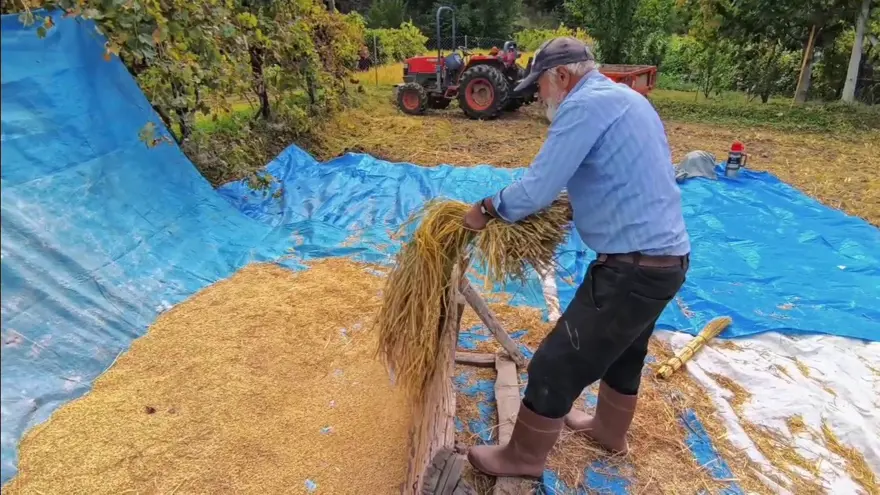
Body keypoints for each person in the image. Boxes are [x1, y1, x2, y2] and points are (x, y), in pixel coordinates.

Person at [463, 37, 691, 479]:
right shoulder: (627, 99)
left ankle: (523, 457)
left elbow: (537, 188)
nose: (538, 96)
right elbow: (617, 172)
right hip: (667, 261)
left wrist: (487, 209)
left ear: (563, 76)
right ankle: (608, 431)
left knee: (555, 362)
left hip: (633, 268)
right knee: (625, 352)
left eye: (540, 86)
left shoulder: (582, 106)